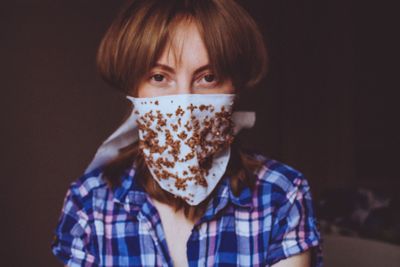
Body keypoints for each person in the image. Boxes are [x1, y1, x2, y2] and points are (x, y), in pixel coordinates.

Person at [51, 0, 323, 266]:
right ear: (134, 89)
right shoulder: (90, 203)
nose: (185, 102)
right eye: (159, 77)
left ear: (235, 88)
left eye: (208, 77)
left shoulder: (281, 195)